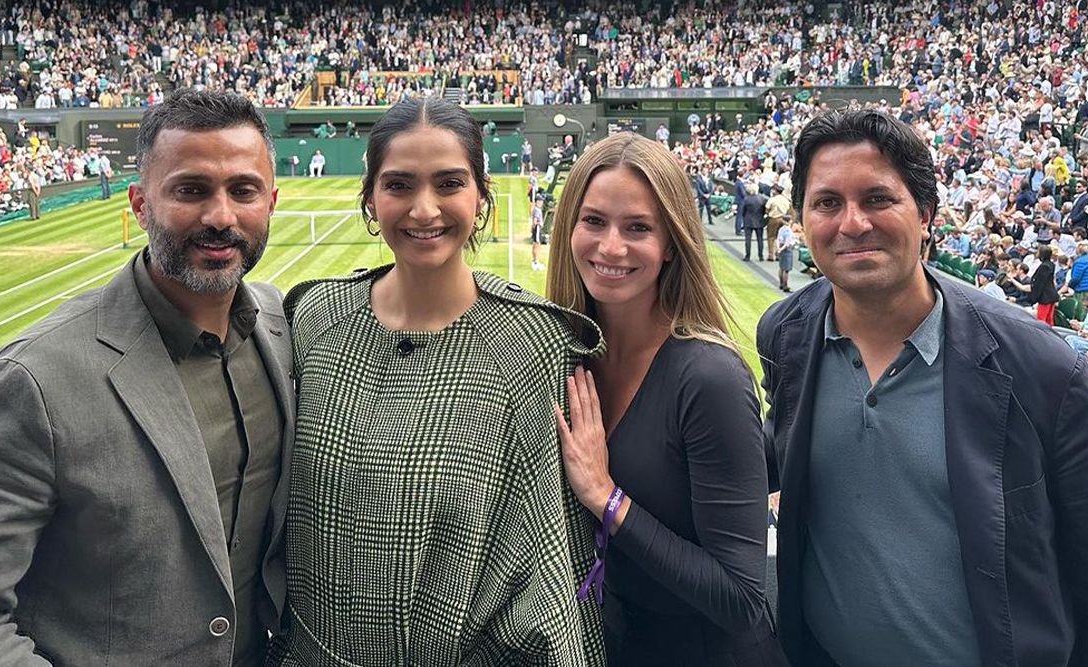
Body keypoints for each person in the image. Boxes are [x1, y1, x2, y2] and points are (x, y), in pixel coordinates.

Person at [757, 109, 1088, 667]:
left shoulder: (1044, 369)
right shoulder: (785, 334)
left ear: (926, 214)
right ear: (804, 218)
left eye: (878, 199)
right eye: (827, 202)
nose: (852, 223)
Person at [0, 89, 295, 665]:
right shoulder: (32, 379)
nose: (220, 216)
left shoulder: (283, 328)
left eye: (242, 191)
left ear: (271, 202)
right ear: (139, 204)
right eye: (190, 190)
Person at [269, 98, 604, 665]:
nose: (424, 210)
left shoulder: (532, 342)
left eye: (449, 183)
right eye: (400, 184)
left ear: (481, 196)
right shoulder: (314, 318)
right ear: (371, 198)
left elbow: (546, 564)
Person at [547, 133, 785, 666]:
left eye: (638, 227)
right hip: (616, 644)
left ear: (672, 242)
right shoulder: (566, 358)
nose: (611, 247)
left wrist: (605, 496)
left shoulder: (709, 378)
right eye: (593, 221)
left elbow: (742, 598)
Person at [1030, 244, 1059, 325]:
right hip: (1051, 294)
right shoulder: (1051, 264)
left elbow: (1040, 284)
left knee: (1041, 320)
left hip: (1045, 296)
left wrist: (1034, 298)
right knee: (1049, 319)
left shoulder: (1044, 267)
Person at [765, 185, 790, 261]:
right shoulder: (785, 200)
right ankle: (778, 254)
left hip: (774, 219)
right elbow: (789, 209)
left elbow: (767, 209)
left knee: (771, 237)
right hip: (783, 219)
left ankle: (771, 255)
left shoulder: (772, 200)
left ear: (775, 191)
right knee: (780, 238)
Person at [742, 186, 767, 261]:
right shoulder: (762, 199)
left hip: (748, 220)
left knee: (748, 239)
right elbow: (764, 210)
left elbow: (743, 210)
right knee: (760, 239)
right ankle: (761, 256)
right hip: (759, 220)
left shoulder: (746, 199)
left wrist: (745, 217)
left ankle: (747, 256)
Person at [776, 220, 798, 292]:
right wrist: (781, 249)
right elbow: (787, 242)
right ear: (789, 221)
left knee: (781, 267)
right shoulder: (788, 230)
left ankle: (781, 284)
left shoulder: (781, 229)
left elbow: (778, 240)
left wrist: (778, 248)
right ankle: (785, 285)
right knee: (786, 269)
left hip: (781, 247)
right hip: (787, 249)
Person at [531, 193, 546, 270]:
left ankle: (534, 261)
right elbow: (535, 220)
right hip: (537, 228)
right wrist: (535, 227)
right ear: (536, 202)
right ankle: (535, 262)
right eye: (539, 201)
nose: (541, 202)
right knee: (537, 244)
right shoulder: (537, 210)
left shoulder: (536, 209)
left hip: (536, 229)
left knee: (536, 244)